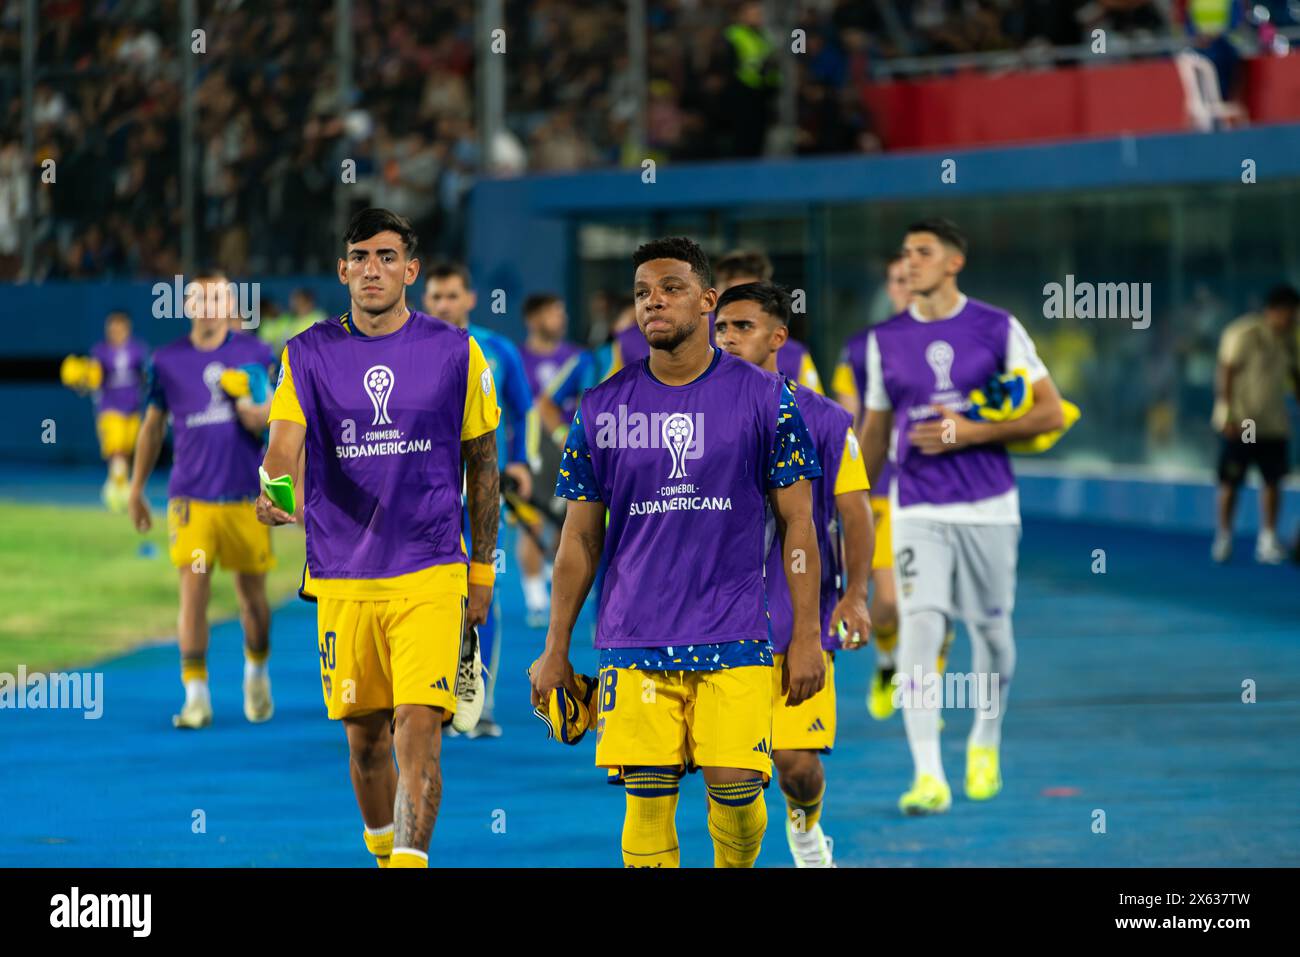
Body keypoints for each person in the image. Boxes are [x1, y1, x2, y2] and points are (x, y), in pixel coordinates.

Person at [530, 236, 826, 868]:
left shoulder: (768, 399)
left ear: (707, 300)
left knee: (738, 793)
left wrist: (807, 635)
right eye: (641, 293)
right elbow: (579, 538)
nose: (652, 303)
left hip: (737, 631)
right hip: (633, 636)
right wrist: (555, 647)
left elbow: (799, 525)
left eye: (670, 289)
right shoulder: (600, 408)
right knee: (646, 805)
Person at [258, 208, 501, 868]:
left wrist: (481, 574)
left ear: (410, 270)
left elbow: (483, 467)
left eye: (387, 256)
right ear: (343, 270)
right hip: (343, 573)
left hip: (430, 567)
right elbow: (282, 448)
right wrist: (275, 491)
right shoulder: (305, 353)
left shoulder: (457, 351)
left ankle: (411, 861)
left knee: (417, 726)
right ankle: (382, 852)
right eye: (360, 256)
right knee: (365, 743)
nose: (373, 267)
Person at [859, 219, 1065, 814]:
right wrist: (847, 505)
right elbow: (874, 431)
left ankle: (985, 738)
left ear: (954, 262)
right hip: (917, 505)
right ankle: (928, 775)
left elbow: (1050, 414)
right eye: (906, 253)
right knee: (922, 626)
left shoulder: (996, 327)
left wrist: (970, 430)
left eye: (924, 252)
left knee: (994, 636)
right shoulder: (884, 340)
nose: (911, 262)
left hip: (989, 507)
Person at [714, 280, 873, 868]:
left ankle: (806, 826)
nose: (728, 338)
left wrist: (855, 596)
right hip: (716, 626)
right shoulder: (691, 411)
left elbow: (855, 512)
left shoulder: (827, 420)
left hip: (793, 620)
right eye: (722, 327)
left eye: (743, 327)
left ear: (779, 337)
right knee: (730, 774)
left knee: (796, 766)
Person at [128, 271, 276, 729]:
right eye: (200, 297)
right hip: (190, 497)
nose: (209, 305)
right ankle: (195, 694)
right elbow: (153, 426)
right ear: (187, 305)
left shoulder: (256, 353)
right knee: (193, 592)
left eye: (218, 297)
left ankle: (255, 671)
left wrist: (257, 415)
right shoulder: (166, 361)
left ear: (230, 303)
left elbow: (278, 417)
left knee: (252, 597)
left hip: (246, 496)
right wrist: (135, 488)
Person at [424, 262, 533, 738]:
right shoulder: (412, 348)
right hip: (430, 494)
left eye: (452, 296)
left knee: (483, 591)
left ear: (470, 299)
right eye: (436, 297)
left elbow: (523, 411)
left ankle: (480, 702)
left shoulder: (498, 349)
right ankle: (435, 698)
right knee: (433, 596)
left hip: (483, 495)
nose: (444, 305)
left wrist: (520, 463)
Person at [1211, 284, 1300, 563]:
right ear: (1274, 310)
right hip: (1244, 422)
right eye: (1289, 313)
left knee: (1273, 480)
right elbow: (1226, 371)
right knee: (1232, 479)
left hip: (1272, 422)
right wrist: (1227, 413)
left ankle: (1268, 538)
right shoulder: (1244, 333)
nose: (1293, 320)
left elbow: (1295, 376)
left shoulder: (1288, 340)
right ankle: (1224, 536)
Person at [517, 292, 583, 627]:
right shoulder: (515, 358)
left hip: (567, 451)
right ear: (534, 319)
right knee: (530, 523)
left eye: (562, 312)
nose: (562, 319)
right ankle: (534, 597)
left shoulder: (578, 358)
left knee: (567, 523)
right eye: (554, 313)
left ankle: (549, 572)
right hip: (530, 452)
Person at [64, 310, 148, 512]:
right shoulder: (99, 351)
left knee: (126, 450)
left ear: (127, 328)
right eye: (112, 328)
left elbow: (146, 375)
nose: (116, 331)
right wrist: (81, 380)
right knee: (116, 449)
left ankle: (117, 487)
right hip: (110, 408)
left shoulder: (138, 349)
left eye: (120, 327)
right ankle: (117, 490)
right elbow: (91, 381)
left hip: (133, 408)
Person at [715, 249, 824, 393]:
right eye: (731, 294)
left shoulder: (794, 355)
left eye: (749, 295)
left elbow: (813, 410)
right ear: (714, 294)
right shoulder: (687, 346)